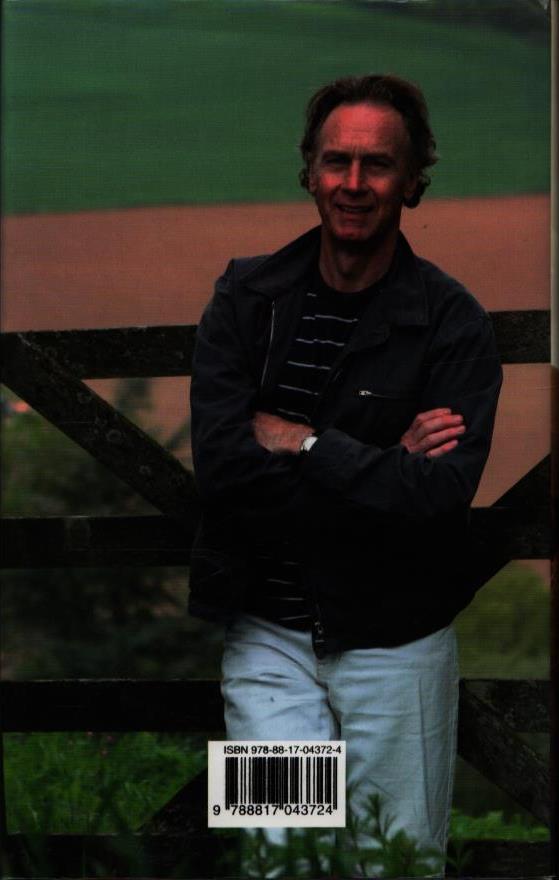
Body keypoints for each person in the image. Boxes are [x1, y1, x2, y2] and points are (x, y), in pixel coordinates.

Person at [189, 74, 502, 874]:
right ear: (309, 171)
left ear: (412, 181)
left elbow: (437, 495)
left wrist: (304, 444)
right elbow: (223, 470)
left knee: (395, 864)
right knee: (282, 859)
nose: (353, 183)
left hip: (396, 642)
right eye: (337, 161)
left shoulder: (450, 321)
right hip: (267, 641)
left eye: (378, 165)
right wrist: (382, 468)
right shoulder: (246, 298)